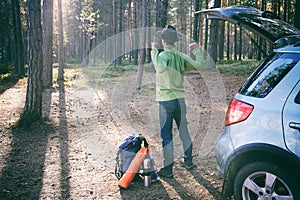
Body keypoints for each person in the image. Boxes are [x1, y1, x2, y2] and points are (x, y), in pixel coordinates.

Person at [151, 25, 205, 178]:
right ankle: (188, 161)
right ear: (174, 42)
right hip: (180, 101)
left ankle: (168, 170)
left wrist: (154, 51)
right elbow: (200, 65)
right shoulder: (180, 56)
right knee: (184, 131)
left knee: (166, 136)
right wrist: (195, 50)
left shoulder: (162, 56)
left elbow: (159, 68)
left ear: (163, 41)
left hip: (165, 101)